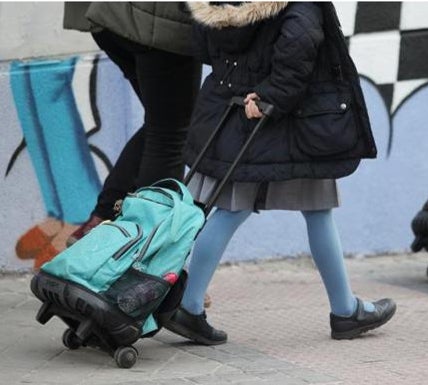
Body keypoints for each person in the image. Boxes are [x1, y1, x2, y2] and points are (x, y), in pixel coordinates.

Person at [163, 2, 396, 343]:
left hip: (234, 113)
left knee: (230, 209)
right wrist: (273, 93)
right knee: (317, 211)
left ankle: (191, 305)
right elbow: (301, 42)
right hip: (291, 120)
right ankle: (346, 312)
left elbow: (205, 48)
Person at [62, 2, 202, 245]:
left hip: (109, 16)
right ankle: (139, 243)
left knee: (165, 123)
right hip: (154, 21)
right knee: (169, 133)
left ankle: (102, 221)